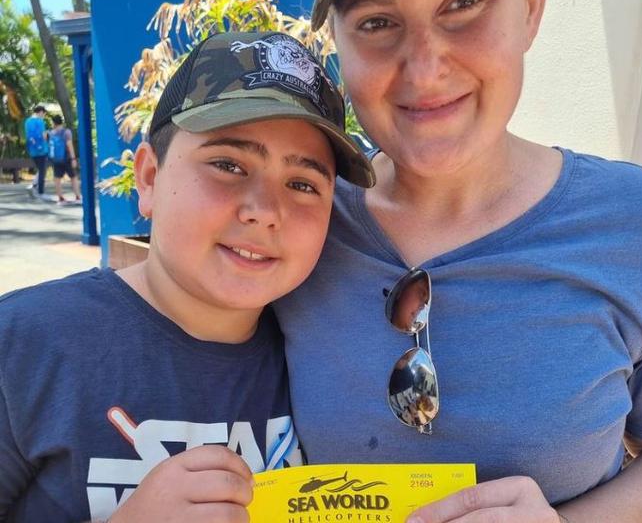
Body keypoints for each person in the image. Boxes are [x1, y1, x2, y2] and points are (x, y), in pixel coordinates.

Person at [275, 0, 642, 522]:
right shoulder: (294, 224)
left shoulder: (634, 221)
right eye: (376, 21)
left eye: (463, 4)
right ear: (337, 40)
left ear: (532, 2)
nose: (424, 71)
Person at [0, 30, 374, 522]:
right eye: (228, 164)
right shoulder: (27, 343)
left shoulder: (321, 355)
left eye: (302, 183)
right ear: (150, 179)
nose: (265, 211)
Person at [48, 114, 82, 204]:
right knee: (73, 177)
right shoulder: (66, 132)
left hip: (56, 159)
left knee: (57, 178)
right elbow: (69, 145)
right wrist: (73, 158)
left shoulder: (51, 133)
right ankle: (78, 196)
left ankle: (60, 197)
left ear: (54, 123)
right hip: (66, 158)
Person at [23, 104, 48, 196]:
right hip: (42, 150)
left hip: (32, 150)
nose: (44, 115)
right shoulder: (40, 121)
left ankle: (33, 185)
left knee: (41, 169)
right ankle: (40, 191)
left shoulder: (27, 121)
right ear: (41, 112)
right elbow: (44, 135)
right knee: (43, 171)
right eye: (44, 113)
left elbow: (28, 136)